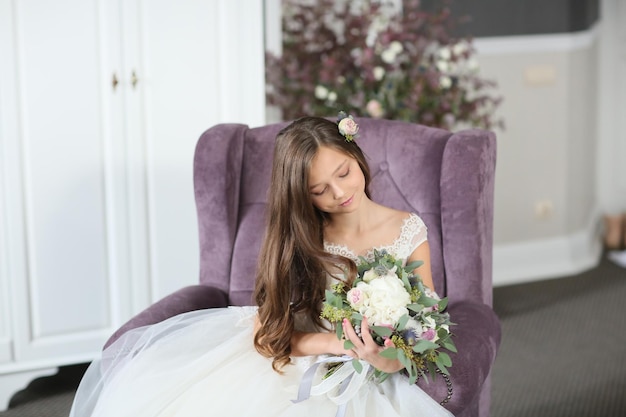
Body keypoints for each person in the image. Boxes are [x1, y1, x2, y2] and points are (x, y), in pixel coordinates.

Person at [69, 116, 453, 417]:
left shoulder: (407, 228)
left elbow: (427, 325)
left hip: (371, 371)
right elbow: (269, 337)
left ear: (357, 158)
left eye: (344, 173)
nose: (340, 193)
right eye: (319, 191)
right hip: (297, 362)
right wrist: (343, 345)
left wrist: (386, 357)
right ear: (301, 194)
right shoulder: (301, 238)